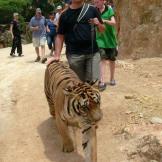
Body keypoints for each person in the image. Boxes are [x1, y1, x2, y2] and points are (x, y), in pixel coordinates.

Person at [47, 0, 105, 83]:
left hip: (93, 53)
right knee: (78, 86)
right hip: (74, 55)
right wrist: (57, 56)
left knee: (94, 83)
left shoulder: (92, 10)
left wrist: (98, 24)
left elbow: (102, 29)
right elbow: (60, 36)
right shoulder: (64, 15)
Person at [94, 0, 118, 91]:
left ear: (103, 1)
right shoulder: (94, 11)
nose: (96, 3)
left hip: (110, 39)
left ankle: (112, 78)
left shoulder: (109, 9)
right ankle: (102, 81)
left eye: (97, 1)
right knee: (102, 59)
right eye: (95, 2)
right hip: (100, 40)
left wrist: (104, 20)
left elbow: (113, 22)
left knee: (112, 60)